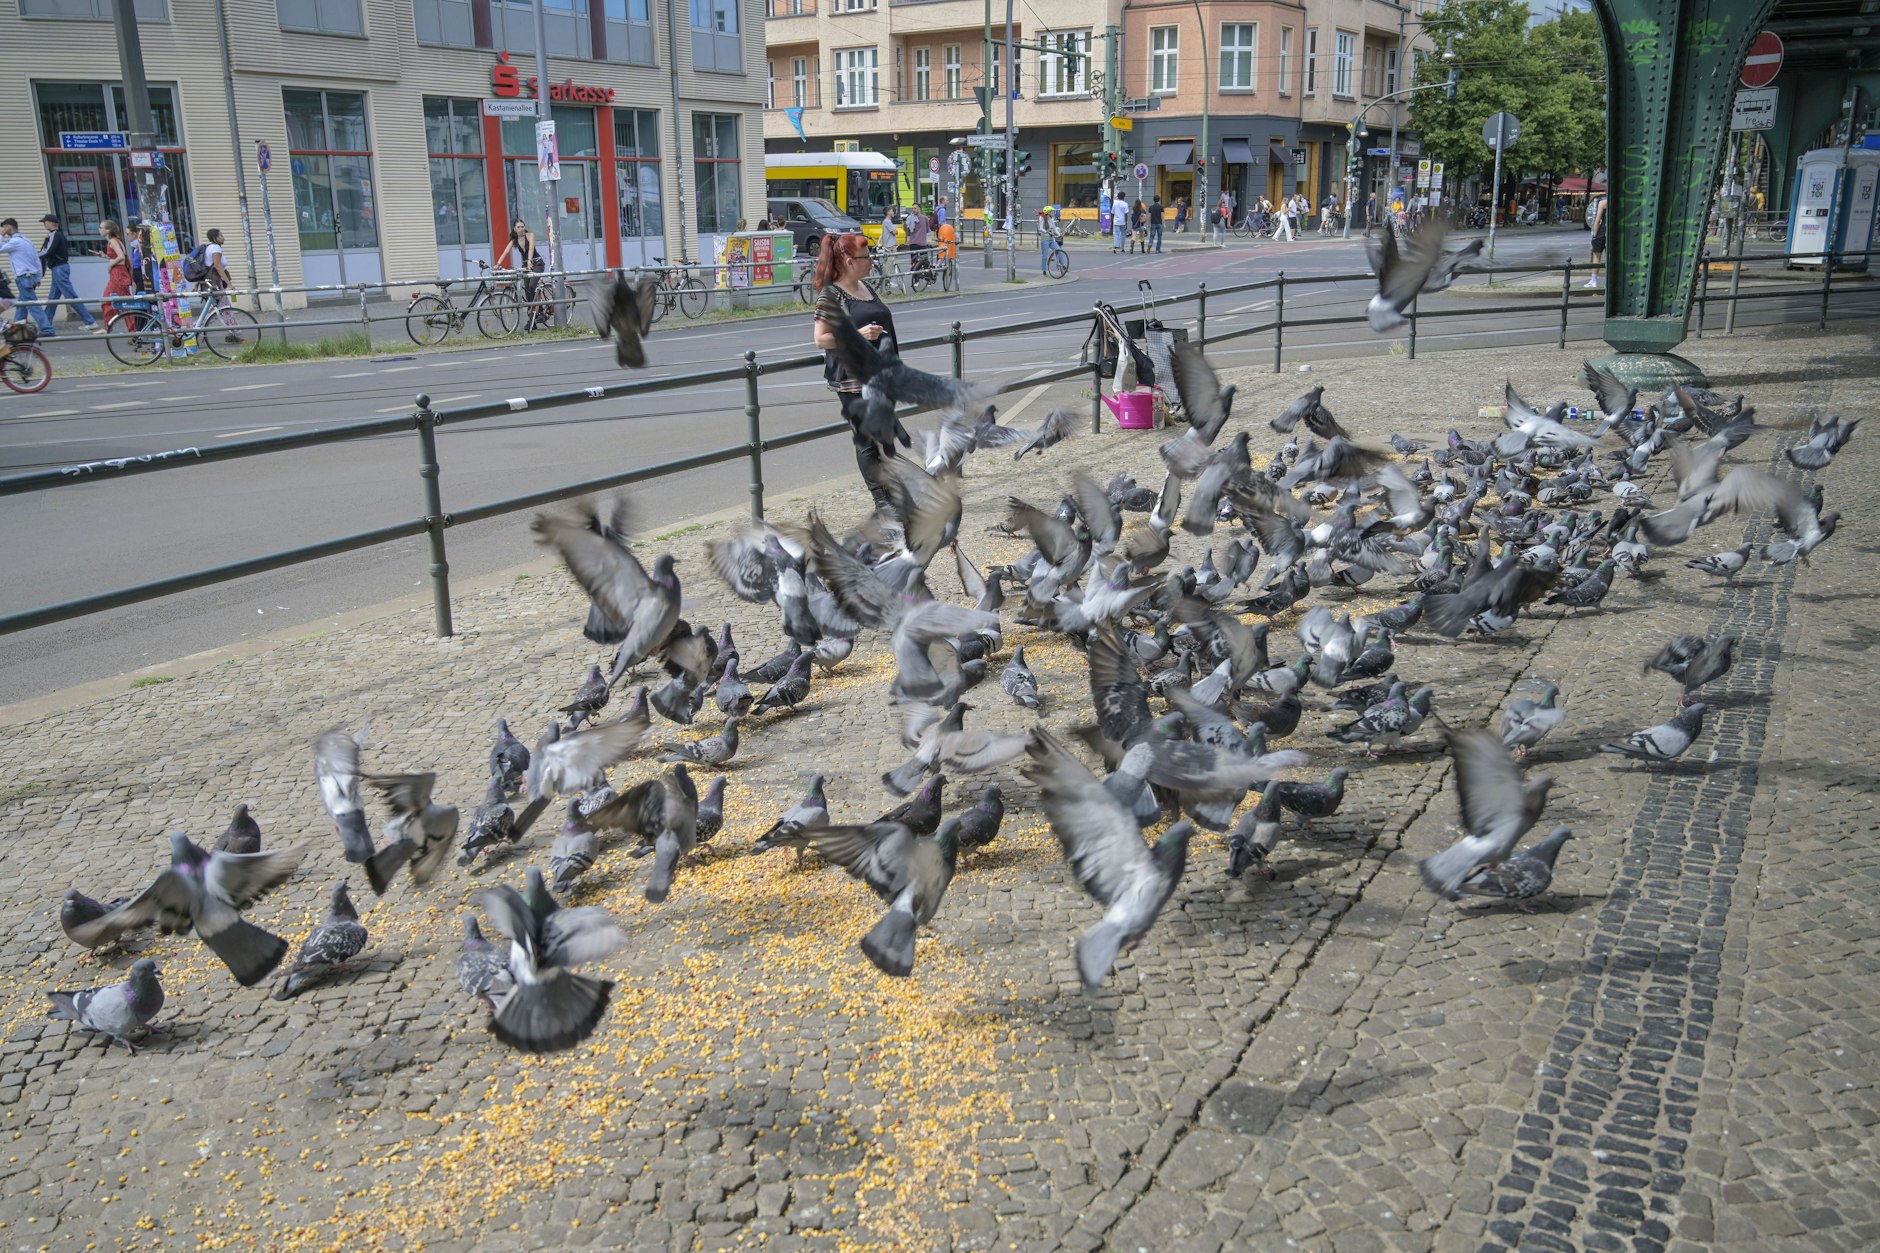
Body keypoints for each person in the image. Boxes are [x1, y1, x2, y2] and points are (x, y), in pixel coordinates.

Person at [812, 234, 900, 516]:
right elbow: (821, 338)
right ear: (850, 262)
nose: (872, 261)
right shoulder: (832, 295)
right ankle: (882, 501)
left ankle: (891, 496)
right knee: (866, 440)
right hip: (852, 377)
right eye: (867, 257)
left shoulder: (865, 287)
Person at [37, 214, 99, 332]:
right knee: (53, 298)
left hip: (59, 269)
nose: (44, 224)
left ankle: (90, 321)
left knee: (70, 297)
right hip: (58, 269)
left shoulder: (55, 235)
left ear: (50, 223)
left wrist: (34, 256)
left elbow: (47, 251)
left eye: (45, 222)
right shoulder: (56, 235)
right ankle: (45, 324)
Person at [0, 218, 55, 337]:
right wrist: (38, 278)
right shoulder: (27, 241)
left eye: (4, 227)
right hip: (31, 276)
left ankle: (47, 330)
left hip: (23, 277)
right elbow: (37, 260)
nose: (3, 230)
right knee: (22, 305)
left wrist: (1, 235)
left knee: (32, 305)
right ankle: (16, 330)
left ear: (9, 227)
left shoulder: (15, 242)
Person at [96, 219, 132, 323]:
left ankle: (108, 326)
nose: (99, 230)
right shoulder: (115, 241)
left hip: (118, 274)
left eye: (101, 228)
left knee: (108, 301)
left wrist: (110, 264)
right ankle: (133, 330)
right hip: (119, 273)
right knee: (124, 303)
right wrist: (105, 257)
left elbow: (121, 257)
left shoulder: (112, 241)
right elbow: (118, 256)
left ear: (108, 230)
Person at [1586, 195, 1607, 288]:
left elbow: (1598, 220)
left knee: (1596, 256)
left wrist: (1595, 234)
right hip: (1613, 233)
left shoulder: (1603, 203)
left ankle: (1594, 280)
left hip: (1602, 232)